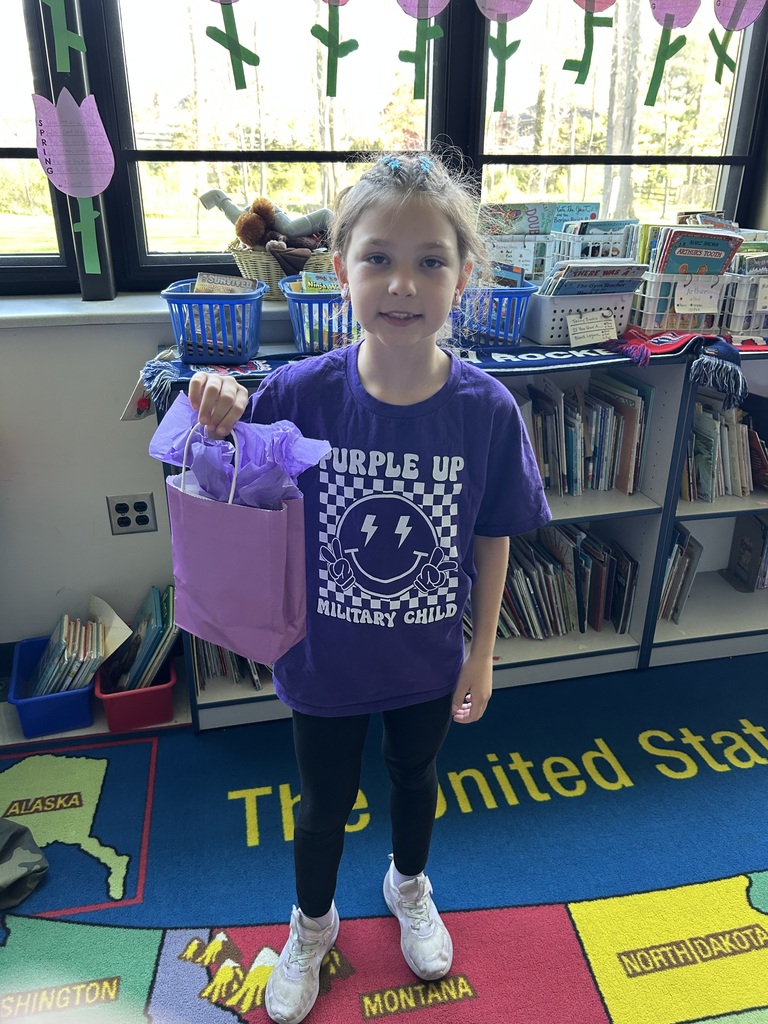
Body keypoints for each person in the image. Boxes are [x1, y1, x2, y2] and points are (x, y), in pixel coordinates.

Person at [188, 151, 551, 1024]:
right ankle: (311, 923)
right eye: (378, 257)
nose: (403, 282)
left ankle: (409, 884)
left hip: (427, 656)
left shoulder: (486, 409)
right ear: (340, 266)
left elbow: (496, 531)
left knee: (415, 777)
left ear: (464, 276)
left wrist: (483, 654)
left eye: (430, 261)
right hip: (322, 660)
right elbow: (224, 477)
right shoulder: (298, 393)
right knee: (321, 805)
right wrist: (215, 405)